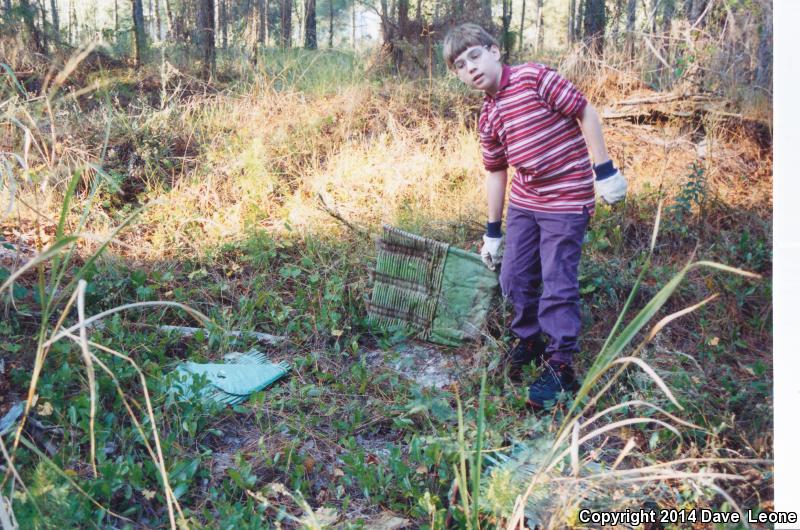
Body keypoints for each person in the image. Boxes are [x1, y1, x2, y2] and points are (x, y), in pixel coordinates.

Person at [443, 23, 628, 409]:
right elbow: (496, 171)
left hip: (566, 197)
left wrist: (605, 169)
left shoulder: (534, 78)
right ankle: (528, 338)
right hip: (525, 202)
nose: (470, 68)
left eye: (475, 56)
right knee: (513, 276)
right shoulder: (488, 115)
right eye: (460, 65)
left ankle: (561, 363)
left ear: (495, 51)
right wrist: (492, 231)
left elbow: (585, 112)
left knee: (558, 281)